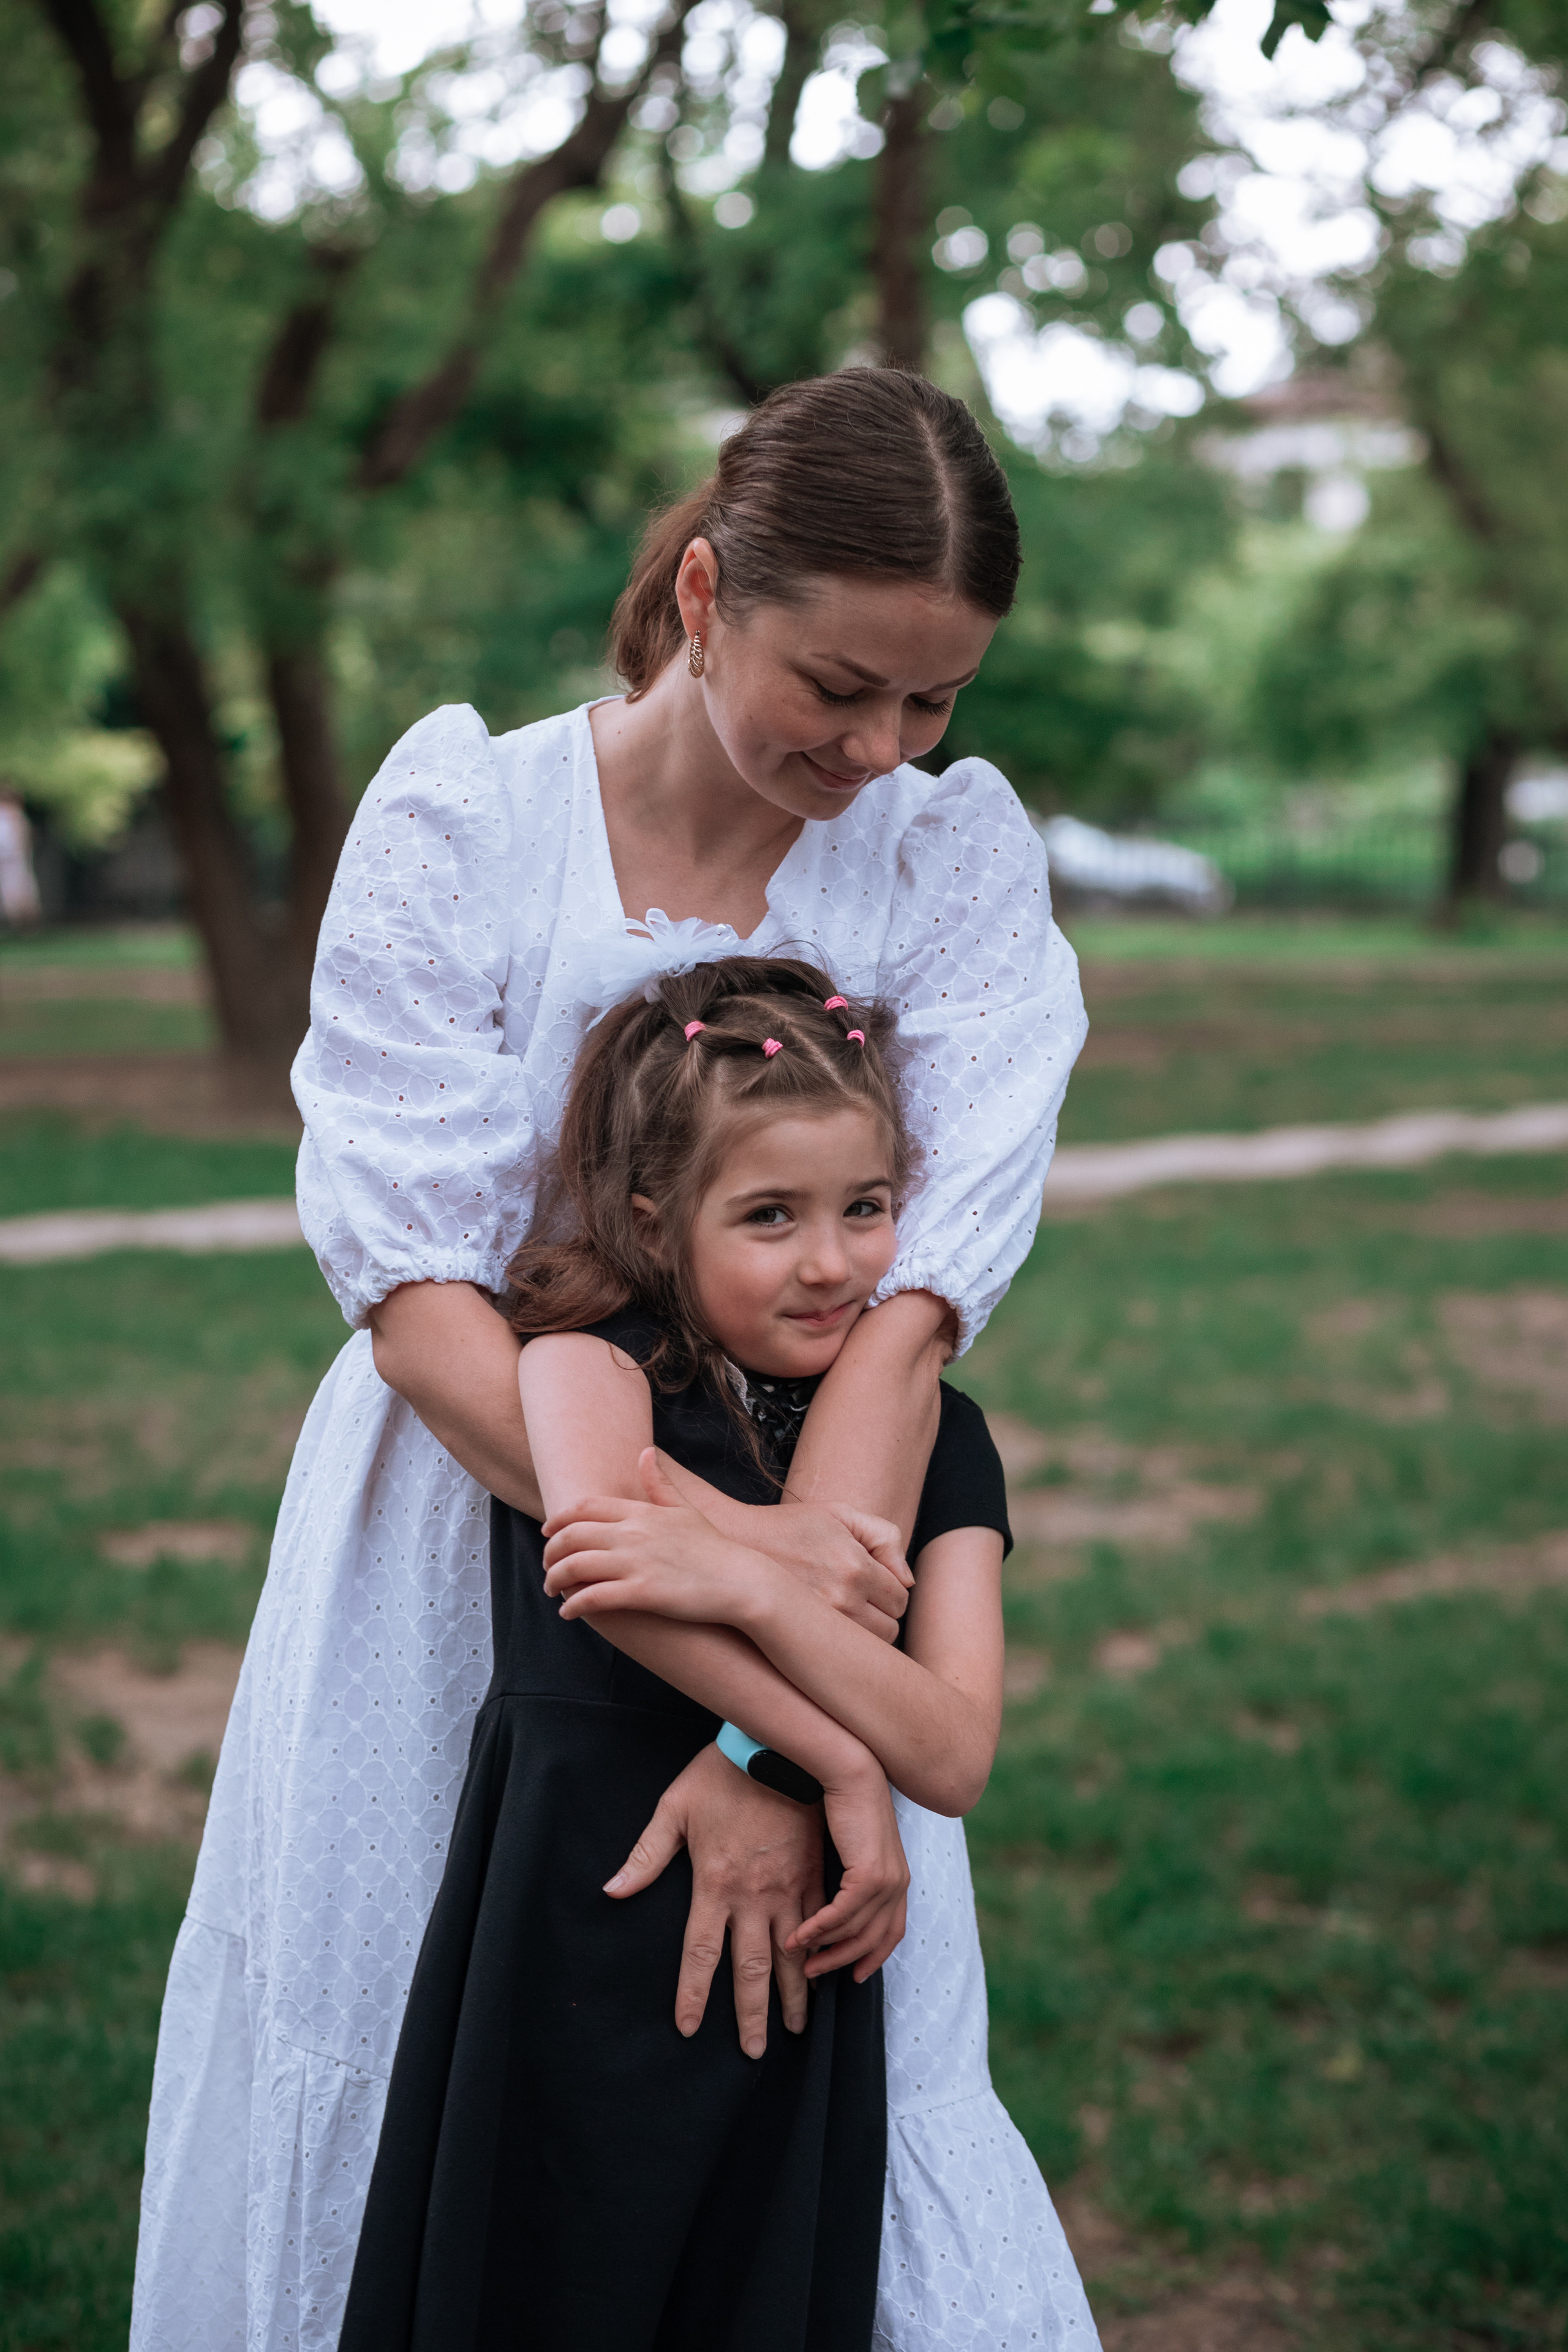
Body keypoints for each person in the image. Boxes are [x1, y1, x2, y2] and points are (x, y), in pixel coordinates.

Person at [130, 368, 1090, 2352]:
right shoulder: (464, 818)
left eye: (934, 700)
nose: (884, 747)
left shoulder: (944, 857)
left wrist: (764, 1739)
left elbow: (906, 1322)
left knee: (797, 2141)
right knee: (452, 2102)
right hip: (474, 1547)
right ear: (709, 590)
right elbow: (426, 1312)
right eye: (843, 684)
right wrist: (775, 1659)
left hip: (839, 1524)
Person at [339, 957, 1030, 2351]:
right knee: (543, 2280)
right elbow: (604, 1566)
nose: (830, 1262)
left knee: (749, 2287)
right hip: (576, 1904)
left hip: (800, 1962)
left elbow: (950, 1752)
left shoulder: (932, 1439)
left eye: (866, 1209)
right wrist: (835, 1754)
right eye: (768, 1216)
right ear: (655, 1217)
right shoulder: (587, 1363)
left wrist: (756, 1587)